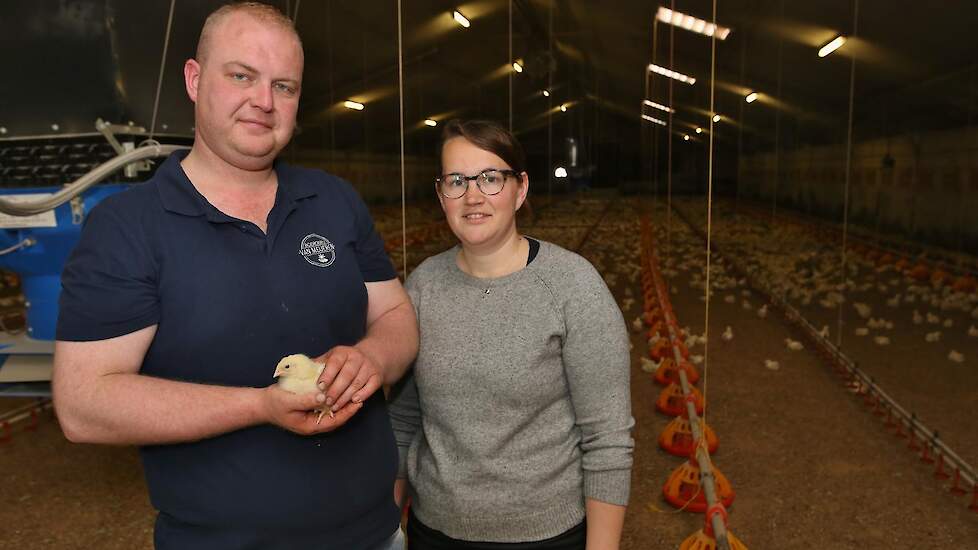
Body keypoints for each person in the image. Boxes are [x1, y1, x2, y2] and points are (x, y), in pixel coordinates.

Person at [51, 3, 417, 549]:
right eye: (241, 75)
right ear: (195, 81)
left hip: (373, 535)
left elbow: (394, 314)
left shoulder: (334, 201)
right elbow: (84, 405)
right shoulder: (129, 227)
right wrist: (260, 406)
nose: (264, 102)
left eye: (284, 86)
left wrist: (373, 358)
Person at [388, 119, 634, 549]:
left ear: (520, 189)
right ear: (440, 194)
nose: (473, 196)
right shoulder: (422, 286)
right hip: (435, 533)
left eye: (490, 178)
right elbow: (404, 420)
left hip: (546, 536)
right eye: (457, 180)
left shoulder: (572, 286)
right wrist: (386, 527)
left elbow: (608, 439)